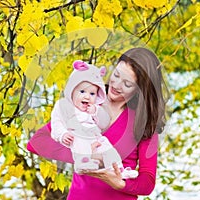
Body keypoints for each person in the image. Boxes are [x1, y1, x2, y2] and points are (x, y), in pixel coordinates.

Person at [27, 47, 168, 199]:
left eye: (127, 84)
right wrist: (83, 154)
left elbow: (147, 182)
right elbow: (36, 142)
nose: (116, 85)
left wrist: (119, 183)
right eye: (116, 75)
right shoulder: (86, 100)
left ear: (139, 90)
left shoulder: (143, 123)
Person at [50, 60, 138, 178]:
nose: (87, 96)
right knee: (80, 144)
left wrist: (96, 112)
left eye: (92, 94)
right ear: (72, 90)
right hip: (76, 136)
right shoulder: (64, 106)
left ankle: (119, 169)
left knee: (107, 147)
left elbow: (103, 123)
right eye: (82, 91)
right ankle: (82, 164)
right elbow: (56, 123)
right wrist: (62, 135)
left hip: (95, 137)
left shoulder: (94, 108)